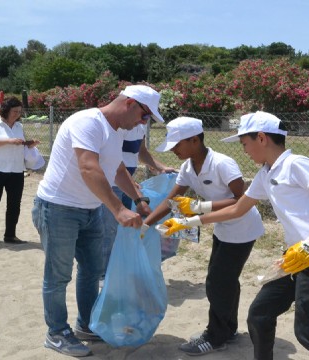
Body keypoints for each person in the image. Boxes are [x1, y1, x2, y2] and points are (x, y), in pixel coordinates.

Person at [159, 111, 309, 360]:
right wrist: (191, 218)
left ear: (261, 138)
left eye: (244, 144)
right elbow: (238, 208)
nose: (244, 151)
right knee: (259, 315)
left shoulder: (296, 164)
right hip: (296, 257)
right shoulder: (266, 173)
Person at [32, 84, 163, 357]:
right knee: (58, 276)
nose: (143, 122)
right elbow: (88, 166)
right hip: (59, 208)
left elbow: (116, 168)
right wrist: (118, 209)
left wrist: (138, 200)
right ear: (130, 103)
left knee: (92, 271)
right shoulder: (88, 122)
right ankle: (56, 332)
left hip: (90, 210)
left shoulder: (115, 131)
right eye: (145, 115)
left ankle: (86, 325)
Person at [142, 116, 265, 356]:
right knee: (225, 280)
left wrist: (200, 206)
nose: (174, 151)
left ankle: (216, 337)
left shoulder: (222, 163)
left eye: (177, 145)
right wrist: (146, 224)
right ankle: (228, 329)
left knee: (216, 282)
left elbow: (243, 199)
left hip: (242, 229)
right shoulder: (189, 167)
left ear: (195, 140)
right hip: (222, 228)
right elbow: (172, 201)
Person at [99, 123, 176, 283]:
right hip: (113, 184)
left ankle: (122, 268)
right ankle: (104, 275)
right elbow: (112, 159)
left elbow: (142, 152)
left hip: (129, 186)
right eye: (146, 114)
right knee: (109, 229)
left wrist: (161, 167)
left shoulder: (139, 127)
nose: (146, 119)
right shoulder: (118, 127)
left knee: (129, 227)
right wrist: (130, 182)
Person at [0, 96, 39, 244]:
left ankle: (10, 235)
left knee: (14, 204)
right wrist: (8, 141)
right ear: (6, 110)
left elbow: (18, 144)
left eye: (19, 111)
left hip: (16, 170)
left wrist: (29, 144)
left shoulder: (18, 126)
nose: (17, 114)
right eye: (14, 111)